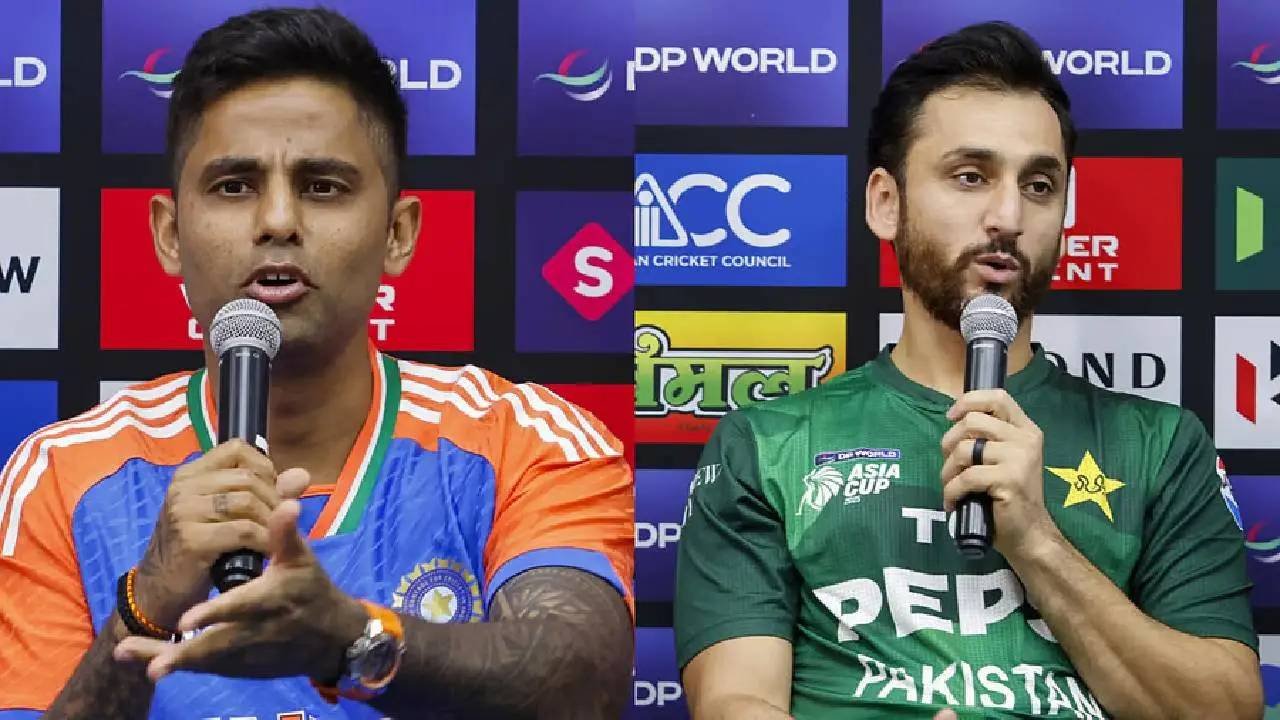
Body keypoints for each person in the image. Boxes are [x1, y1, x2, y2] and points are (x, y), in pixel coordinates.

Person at [0, 8, 633, 720]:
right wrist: (144, 604)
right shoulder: (63, 474)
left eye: (323, 186)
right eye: (234, 186)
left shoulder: (525, 440)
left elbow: (585, 688)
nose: (277, 221)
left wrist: (350, 640)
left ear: (398, 233)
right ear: (169, 235)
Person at [673, 21, 1261, 720]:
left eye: (1039, 185)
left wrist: (1036, 541)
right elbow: (733, 700)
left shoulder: (1160, 444)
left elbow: (1225, 710)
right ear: (886, 202)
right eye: (970, 176)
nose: (1007, 216)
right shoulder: (768, 444)